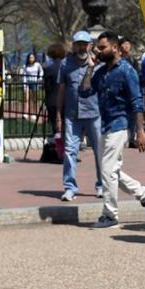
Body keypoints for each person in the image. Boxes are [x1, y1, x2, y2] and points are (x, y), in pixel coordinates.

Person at [80, 29, 145, 229]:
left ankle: (110, 214)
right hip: (105, 125)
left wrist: (140, 132)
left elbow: (136, 101)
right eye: (98, 48)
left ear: (115, 47)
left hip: (120, 125)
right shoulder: (101, 72)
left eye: (102, 47)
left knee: (107, 169)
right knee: (111, 170)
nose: (99, 51)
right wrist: (90, 68)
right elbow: (84, 91)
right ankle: (144, 193)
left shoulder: (126, 71)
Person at [56, 31, 103, 201]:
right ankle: (70, 188)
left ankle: (101, 185)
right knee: (70, 151)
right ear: (74, 46)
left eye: (84, 44)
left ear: (90, 45)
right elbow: (61, 90)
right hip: (72, 114)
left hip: (94, 113)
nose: (81, 47)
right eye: (78, 44)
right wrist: (58, 115)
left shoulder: (98, 64)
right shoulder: (65, 63)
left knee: (99, 150)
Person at [43, 42, 67, 137]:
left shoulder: (48, 68)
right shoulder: (66, 67)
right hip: (65, 100)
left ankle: (57, 142)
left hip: (52, 101)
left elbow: (47, 87)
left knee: (55, 127)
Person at [23, 52, 43, 119]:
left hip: (35, 82)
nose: (31, 59)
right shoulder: (26, 66)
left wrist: (39, 78)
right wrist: (24, 84)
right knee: (26, 99)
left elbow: (41, 71)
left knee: (34, 99)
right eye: (30, 57)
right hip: (28, 82)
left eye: (32, 57)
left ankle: (34, 113)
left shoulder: (37, 65)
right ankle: (26, 113)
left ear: (34, 58)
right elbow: (24, 75)